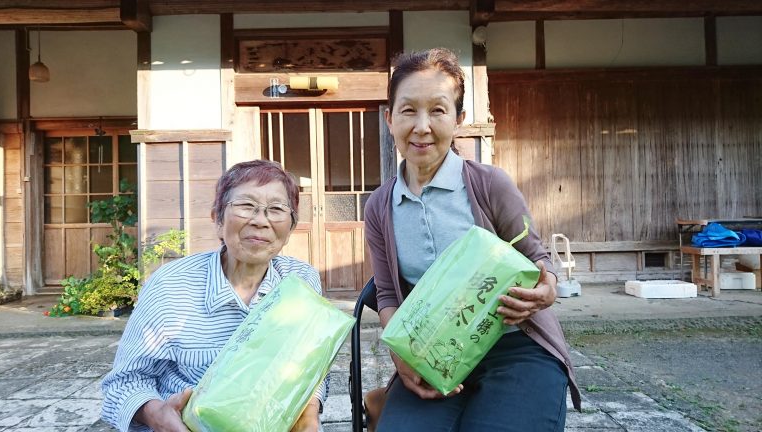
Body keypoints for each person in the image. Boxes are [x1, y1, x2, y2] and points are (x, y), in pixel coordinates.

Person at [363, 48, 581, 431]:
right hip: (436, 355)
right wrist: (403, 358)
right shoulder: (380, 206)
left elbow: (537, 258)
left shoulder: (489, 185)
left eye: (438, 110)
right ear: (389, 118)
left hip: (516, 348)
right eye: (408, 110)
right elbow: (387, 297)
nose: (422, 126)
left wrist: (546, 289)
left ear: (459, 119)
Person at [101, 160, 325, 432]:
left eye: (276, 209)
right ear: (218, 220)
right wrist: (157, 414)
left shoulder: (300, 280)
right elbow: (123, 383)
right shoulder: (171, 285)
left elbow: (309, 366)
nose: (260, 220)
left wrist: (309, 414)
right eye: (246, 206)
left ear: (289, 229)